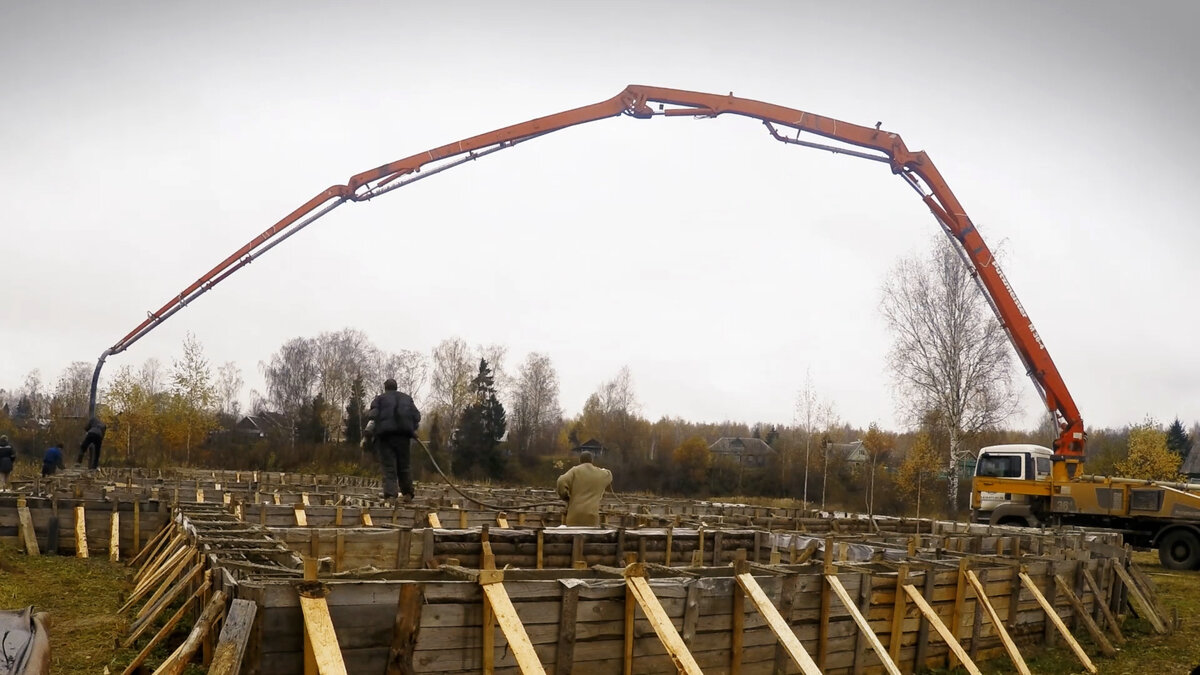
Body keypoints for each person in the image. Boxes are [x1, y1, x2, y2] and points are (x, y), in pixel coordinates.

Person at [366, 378, 421, 502]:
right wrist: (413, 428)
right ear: (396, 387)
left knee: (389, 467)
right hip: (404, 436)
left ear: (385, 388)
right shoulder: (407, 399)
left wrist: (368, 434)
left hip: (386, 437)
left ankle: (391, 496)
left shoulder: (380, 399)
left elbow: (373, 416)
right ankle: (407, 494)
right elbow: (417, 416)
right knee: (404, 466)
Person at [556, 451, 613, 526]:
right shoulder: (600, 473)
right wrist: (603, 470)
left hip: (574, 516)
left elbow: (561, 481)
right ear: (592, 460)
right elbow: (609, 475)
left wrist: (565, 497)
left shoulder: (574, 471)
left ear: (580, 460)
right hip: (592, 517)